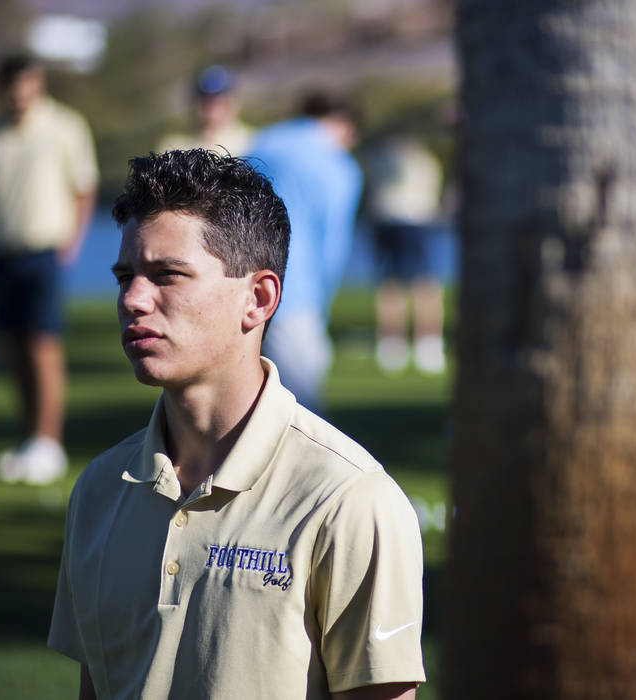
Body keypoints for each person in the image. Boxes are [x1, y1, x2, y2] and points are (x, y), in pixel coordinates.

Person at [48, 150, 425, 700]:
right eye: (125, 276)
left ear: (259, 298)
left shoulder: (349, 498)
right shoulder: (100, 489)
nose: (132, 299)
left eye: (167, 275)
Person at [0, 53, 98, 484]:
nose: (20, 93)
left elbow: (83, 188)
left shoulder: (65, 126)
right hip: (0, 253)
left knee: (43, 345)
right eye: (13, 85)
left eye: (28, 84)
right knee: (14, 346)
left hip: (45, 251)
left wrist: (72, 244)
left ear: (38, 84)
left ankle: (48, 443)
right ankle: (29, 441)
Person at [246, 91, 362, 411]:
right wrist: (321, 303)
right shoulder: (338, 165)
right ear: (343, 125)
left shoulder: (261, 142)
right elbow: (332, 247)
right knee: (301, 413)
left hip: (235, 285)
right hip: (295, 293)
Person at [362, 130, 446, 374]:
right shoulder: (426, 160)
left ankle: (405, 345)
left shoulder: (382, 159)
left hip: (400, 221)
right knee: (409, 284)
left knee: (405, 284)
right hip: (410, 221)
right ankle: (413, 345)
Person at [157, 65, 253, 155]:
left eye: (220, 103)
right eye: (205, 103)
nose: (212, 113)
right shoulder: (174, 147)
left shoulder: (253, 143)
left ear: (234, 103)